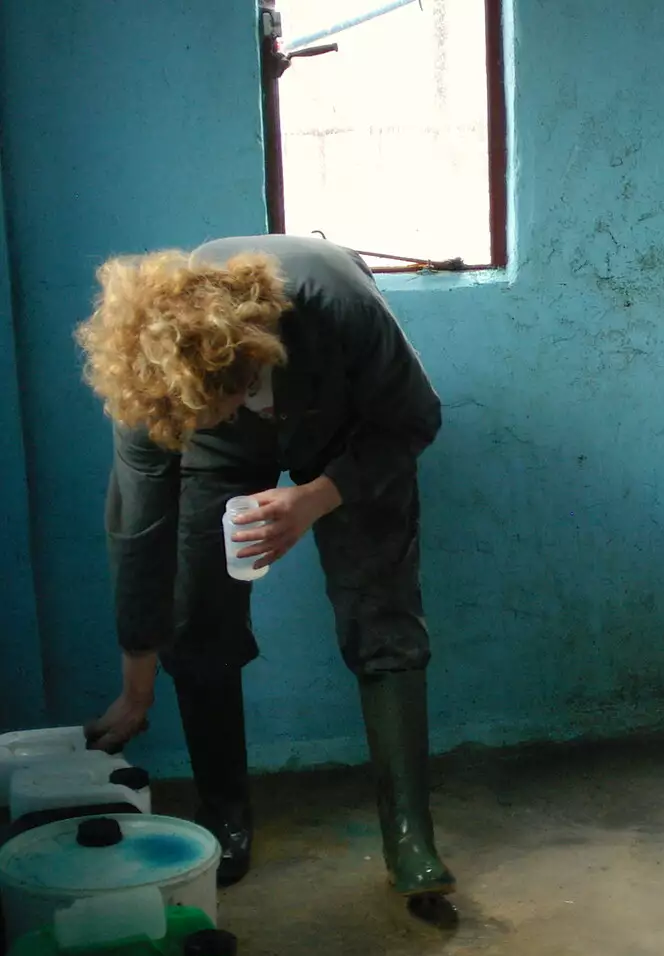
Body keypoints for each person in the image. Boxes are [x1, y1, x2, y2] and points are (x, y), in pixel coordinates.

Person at [74, 236, 454, 903]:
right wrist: (136, 683)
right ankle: (225, 818)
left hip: (348, 427)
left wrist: (314, 498)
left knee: (382, 614)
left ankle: (409, 836)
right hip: (226, 446)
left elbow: (415, 418)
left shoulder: (334, 303)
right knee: (196, 620)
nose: (176, 428)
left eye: (192, 416)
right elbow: (141, 528)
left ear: (237, 375)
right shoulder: (156, 376)